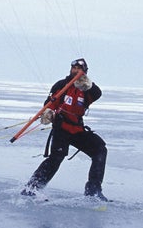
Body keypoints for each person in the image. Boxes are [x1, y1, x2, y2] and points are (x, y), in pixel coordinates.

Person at [21, 58, 109, 201]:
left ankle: (93, 189)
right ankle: (33, 188)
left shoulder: (86, 89)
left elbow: (97, 93)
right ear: (70, 69)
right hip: (61, 129)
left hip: (77, 130)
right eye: (74, 68)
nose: (76, 71)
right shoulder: (61, 85)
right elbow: (49, 103)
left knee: (100, 148)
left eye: (80, 69)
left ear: (85, 72)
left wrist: (89, 86)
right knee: (56, 157)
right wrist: (48, 113)